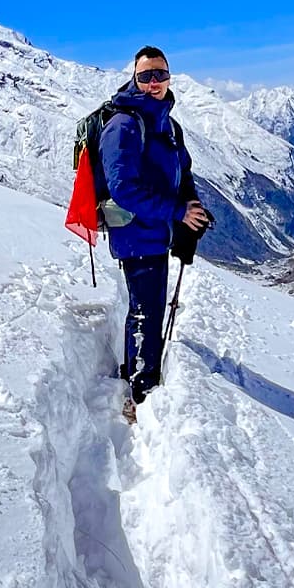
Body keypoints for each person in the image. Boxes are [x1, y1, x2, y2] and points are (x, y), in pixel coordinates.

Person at [99, 46, 210, 408]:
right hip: (136, 232)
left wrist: (190, 206)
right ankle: (141, 390)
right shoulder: (124, 125)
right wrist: (176, 211)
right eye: (146, 76)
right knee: (147, 309)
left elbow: (183, 170)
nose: (153, 83)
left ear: (169, 77)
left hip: (156, 229)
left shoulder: (167, 124)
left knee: (148, 306)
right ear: (134, 78)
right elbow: (124, 189)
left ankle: (137, 369)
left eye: (160, 74)